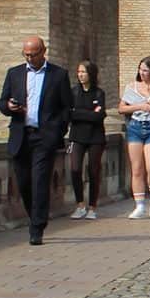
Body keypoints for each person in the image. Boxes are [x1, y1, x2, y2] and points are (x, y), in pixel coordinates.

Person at [0, 35, 75, 246]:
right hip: (21, 135)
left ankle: (37, 227)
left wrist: (58, 129)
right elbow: (2, 103)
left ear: (43, 52)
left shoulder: (58, 75)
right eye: (26, 55)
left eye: (33, 54)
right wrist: (10, 107)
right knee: (23, 182)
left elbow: (67, 107)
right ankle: (35, 216)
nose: (30, 58)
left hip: (44, 136)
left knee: (40, 181)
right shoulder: (14, 74)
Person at [120, 55, 150, 218]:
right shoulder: (132, 86)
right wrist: (139, 106)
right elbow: (122, 108)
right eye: (140, 69)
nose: (142, 73)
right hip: (135, 127)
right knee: (136, 169)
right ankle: (139, 205)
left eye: (145, 70)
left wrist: (149, 97)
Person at [66, 59, 108, 219]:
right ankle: (80, 204)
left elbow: (99, 116)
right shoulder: (73, 92)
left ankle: (92, 206)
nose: (80, 75)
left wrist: (80, 113)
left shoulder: (99, 93)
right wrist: (88, 113)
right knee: (75, 168)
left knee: (93, 170)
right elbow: (70, 113)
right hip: (77, 136)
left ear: (91, 74)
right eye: (79, 72)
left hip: (95, 137)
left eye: (83, 72)